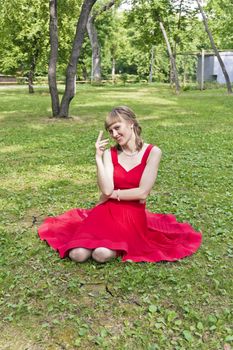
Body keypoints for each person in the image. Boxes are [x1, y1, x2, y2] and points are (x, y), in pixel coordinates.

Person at [38, 106, 202, 263]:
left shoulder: (153, 152)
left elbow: (142, 193)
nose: (114, 134)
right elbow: (106, 189)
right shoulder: (110, 153)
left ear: (131, 123)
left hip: (131, 215)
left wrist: (113, 195)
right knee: (77, 254)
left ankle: (114, 244)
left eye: (117, 128)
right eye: (110, 131)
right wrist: (98, 158)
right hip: (106, 211)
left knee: (101, 254)